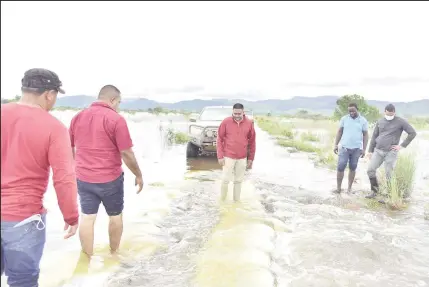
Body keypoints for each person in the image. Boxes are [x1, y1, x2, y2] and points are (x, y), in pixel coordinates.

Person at [1, 68, 79, 287]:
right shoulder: (54, 127)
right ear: (49, 94)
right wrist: (71, 216)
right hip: (22, 218)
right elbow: (64, 178)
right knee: (22, 281)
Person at [69, 85, 143, 256]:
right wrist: (138, 175)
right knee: (115, 216)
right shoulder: (116, 119)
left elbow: (69, 147)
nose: (118, 106)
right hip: (110, 179)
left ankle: (86, 259)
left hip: (84, 178)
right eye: (118, 102)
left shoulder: (78, 117)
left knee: (87, 217)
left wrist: (77, 166)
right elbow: (126, 152)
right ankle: (114, 254)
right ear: (112, 100)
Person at [366, 104, 417, 198]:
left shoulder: (401, 121)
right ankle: (374, 191)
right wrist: (370, 151)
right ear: (384, 112)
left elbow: (412, 133)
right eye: (388, 114)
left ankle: (389, 196)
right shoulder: (380, 121)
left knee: (389, 174)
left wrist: (401, 146)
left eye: (391, 115)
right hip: (378, 151)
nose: (389, 116)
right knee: (370, 170)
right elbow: (374, 136)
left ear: (394, 112)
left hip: (391, 152)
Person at [217, 103, 256, 202]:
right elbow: (219, 139)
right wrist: (220, 156)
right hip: (228, 156)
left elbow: (252, 142)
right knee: (225, 180)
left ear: (243, 112)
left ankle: (236, 202)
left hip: (242, 157)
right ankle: (222, 201)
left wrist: (251, 158)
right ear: (232, 112)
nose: (237, 116)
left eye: (239, 114)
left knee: (238, 181)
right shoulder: (226, 122)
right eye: (235, 113)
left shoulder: (249, 123)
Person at [333, 103, 369, 193]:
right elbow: (339, 132)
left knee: (353, 167)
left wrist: (364, 149)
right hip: (344, 148)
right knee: (341, 167)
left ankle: (349, 189)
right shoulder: (344, 119)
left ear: (357, 109)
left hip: (356, 149)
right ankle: (338, 189)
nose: (351, 112)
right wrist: (335, 145)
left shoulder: (363, 121)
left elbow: (365, 135)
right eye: (349, 111)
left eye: (353, 110)